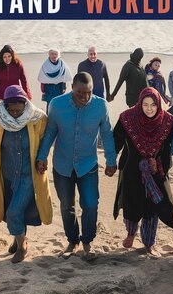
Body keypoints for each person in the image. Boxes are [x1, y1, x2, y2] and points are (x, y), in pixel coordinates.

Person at [36, 72, 117, 261]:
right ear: (72, 87)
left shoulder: (100, 105)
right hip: (62, 165)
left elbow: (107, 134)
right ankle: (72, 241)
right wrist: (42, 157)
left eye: (89, 92)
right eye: (81, 93)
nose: (85, 97)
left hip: (88, 164)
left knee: (90, 204)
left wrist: (111, 161)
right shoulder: (56, 104)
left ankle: (87, 241)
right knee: (67, 206)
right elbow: (50, 133)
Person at [0, 85, 51, 263]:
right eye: (10, 110)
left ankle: (22, 246)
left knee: (14, 212)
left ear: (25, 104)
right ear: (4, 106)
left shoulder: (37, 118)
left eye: (18, 110)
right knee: (11, 210)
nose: (14, 113)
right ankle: (17, 238)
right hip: (7, 174)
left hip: (29, 175)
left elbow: (45, 141)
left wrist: (43, 158)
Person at [113, 87, 173, 257]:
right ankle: (131, 233)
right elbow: (116, 141)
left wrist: (160, 166)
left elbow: (169, 148)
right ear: (139, 104)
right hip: (132, 169)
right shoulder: (127, 118)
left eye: (153, 105)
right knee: (131, 205)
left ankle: (149, 243)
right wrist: (110, 162)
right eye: (145, 105)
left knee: (152, 209)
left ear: (159, 105)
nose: (149, 108)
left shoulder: (168, 122)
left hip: (156, 171)